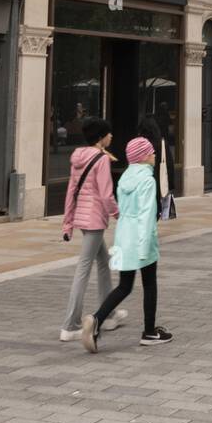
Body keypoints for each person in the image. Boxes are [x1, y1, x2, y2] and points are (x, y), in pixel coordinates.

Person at [81, 137, 173, 351]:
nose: (154, 155)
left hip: (124, 237)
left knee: (124, 286)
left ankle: (96, 319)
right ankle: (149, 332)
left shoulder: (124, 179)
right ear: (143, 157)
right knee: (149, 284)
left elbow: (124, 210)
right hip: (142, 239)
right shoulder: (148, 182)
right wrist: (145, 246)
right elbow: (147, 215)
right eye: (151, 152)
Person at [59, 118, 125, 342]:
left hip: (82, 219)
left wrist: (68, 223)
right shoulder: (101, 160)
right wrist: (118, 215)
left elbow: (71, 191)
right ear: (101, 137)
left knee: (103, 262)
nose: (111, 136)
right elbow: (106, 195)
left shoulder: (78, 158)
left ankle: (108, 314)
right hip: (95, 219)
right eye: (108, 133)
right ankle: (70, 324)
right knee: (83, 269)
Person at [137, 113, 177, 219]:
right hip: (157, 180)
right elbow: (169, 165)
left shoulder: (138, 144)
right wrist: (171, 185)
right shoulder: (162, 143)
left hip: (142, 180)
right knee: (155, 207)